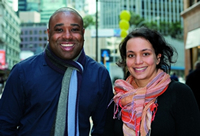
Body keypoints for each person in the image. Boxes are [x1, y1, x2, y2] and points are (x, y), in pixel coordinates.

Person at [0, 7, 114, 136]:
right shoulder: (22, 72)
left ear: (83, 34)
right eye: (59, 30)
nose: (67, 36)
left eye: (74, 30)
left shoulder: (99, 75)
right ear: (48, 34)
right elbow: (4, 126)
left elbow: (104, 130)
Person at [112, 27, 200, 136]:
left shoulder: (179, 93)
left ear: (158, 58)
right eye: (131, 55)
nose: (138, 61)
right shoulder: (119, 97)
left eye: (145, 54)